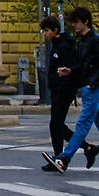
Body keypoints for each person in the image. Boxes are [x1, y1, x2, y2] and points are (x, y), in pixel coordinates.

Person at [44, 6, 99, 176]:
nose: (74, 25)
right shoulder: (83, 39)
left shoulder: (95, 39)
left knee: (83, 124)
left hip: (94, 87)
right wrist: (71, 70)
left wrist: (92, 84)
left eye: (76, 22)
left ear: (85, 22)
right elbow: (84, 64)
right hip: (90, 86)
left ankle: (64, 158)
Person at [35, 14, 75, 161]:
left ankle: (58, 156)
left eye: (46, 31)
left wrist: (62, 87)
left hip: (63, 90)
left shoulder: (63, 46)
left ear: (55, 30)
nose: (44, 34)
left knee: (55, 124)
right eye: (44, 31)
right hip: (58, 89)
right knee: (57, 124)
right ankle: (88, 148)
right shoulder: (57, 45)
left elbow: (69, 69)